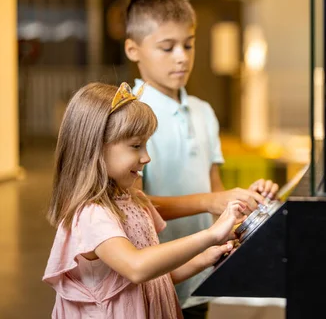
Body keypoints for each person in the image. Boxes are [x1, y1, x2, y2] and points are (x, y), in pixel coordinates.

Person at [124, 0, 278, 317]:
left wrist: (239, 203)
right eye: (167, 47)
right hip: (155, 282)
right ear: (133, 50)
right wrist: (208, 201)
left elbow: (215, 191)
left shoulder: (203, 112)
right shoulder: (128, 115)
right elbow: (131, 210)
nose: (181, 56)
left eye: (188, 45)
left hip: (199, 276)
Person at [43, 82, 247, 318]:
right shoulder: (91, 214)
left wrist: (205, 257)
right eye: (136, 146)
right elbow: (137, 267)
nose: (146, 157)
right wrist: (210, 235)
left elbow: (156, 276)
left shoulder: (135, 201)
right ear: (96, 147)